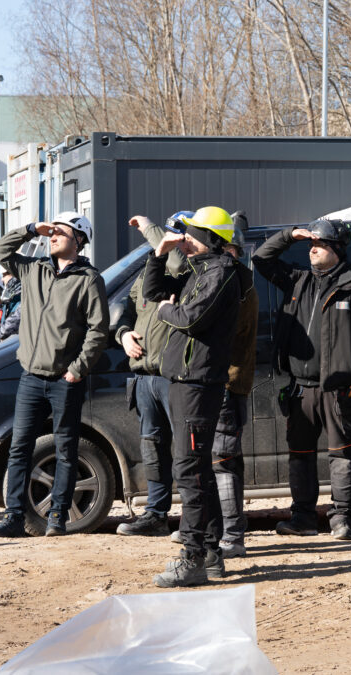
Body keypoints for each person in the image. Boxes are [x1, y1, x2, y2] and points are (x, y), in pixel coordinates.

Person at [253, 218, 351, 541]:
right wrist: (289, 235)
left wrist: (347, 370)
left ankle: (342, 519)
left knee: (342, 455)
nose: (312, 249)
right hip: (300, 388)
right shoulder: (297, 280)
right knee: (300, 455)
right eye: (312, 244)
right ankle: (303, 519)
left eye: (320, 244)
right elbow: (261, 259)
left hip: (338, 391)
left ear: (337, 250)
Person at [0, 212, 108, 537]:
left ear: (79, 239)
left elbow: (98, 330)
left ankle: (57, 518)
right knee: (19, 447)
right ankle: (14, 518)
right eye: (51, 232)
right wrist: (30, 230)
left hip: (65, 381)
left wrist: (77, 370)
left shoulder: (88, 279)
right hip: (31, 377)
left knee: (66, 449)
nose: (52, 236)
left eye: (60, 232)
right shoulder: (33, 268)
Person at [145, 206, 250, 588]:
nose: (184, 239)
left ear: (209, 238)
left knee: (190, 471)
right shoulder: (200, 269)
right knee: (197, 471)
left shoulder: (220, 272)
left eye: (191, 234)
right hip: (185, 381)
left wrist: (167, 311)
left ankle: (192, 557)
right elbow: (153, 292)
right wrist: (158, 255)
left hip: (199, 383)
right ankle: (209, 552)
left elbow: (191, 318)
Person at [112, 212, 192, 537]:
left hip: (173, 377)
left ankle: (193, 519)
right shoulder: (150, 272)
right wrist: (123, 335)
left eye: (177, 235)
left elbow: (174, 259)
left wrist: (150, 228)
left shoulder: (188, 270)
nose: (168, 239)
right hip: (144, 376)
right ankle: (156, 514)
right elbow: (127, 310)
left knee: (186, 450)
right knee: (153, 448)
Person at [211, 216, 259, 558]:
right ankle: (225, 530)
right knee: (225, 460)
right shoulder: (240, 282)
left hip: (226, 384)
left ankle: (231, 535)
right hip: (228, 383)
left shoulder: (237, 286)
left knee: (222, 461)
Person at [0, 269, 21, 346]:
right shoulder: (10, 302)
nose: (2, 279)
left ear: (15, 275)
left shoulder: (24, 300)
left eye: (4, 275)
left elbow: (5, 330)